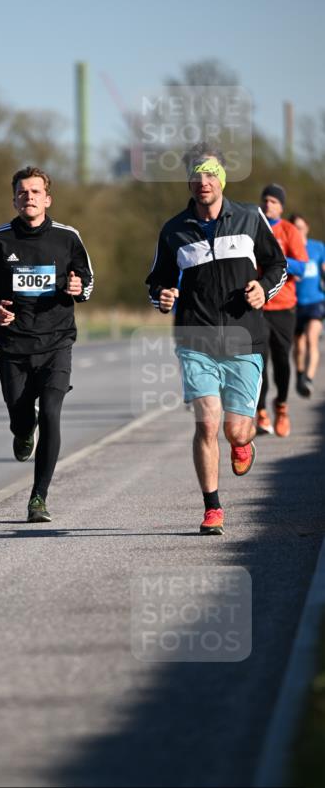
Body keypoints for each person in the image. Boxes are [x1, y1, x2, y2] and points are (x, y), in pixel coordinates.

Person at [146, 144, 287, 535]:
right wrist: (163, 295)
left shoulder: (248, 217)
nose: (203, 181)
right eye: (196, 173)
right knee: (207, 423)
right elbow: (157, 280)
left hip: (246, 338)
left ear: (222, 178)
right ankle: (212, 507)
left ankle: (244, 442)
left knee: (235, 430)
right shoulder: (174, 230)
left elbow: (278, 264)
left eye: (210, 173)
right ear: (189, 181)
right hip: (197, 337)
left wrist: (263, 288)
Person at [0, 166, 94, 522]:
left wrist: (77, 289)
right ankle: (23, 429)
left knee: (52, 413)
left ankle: (38, 498)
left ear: (47, 198)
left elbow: (86, 280)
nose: (29, 197)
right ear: (14, 199)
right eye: (23, 192)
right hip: (13, 347)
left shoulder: (68, 237)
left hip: (56, 342)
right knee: (21, 414)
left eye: (36, 192)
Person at [255, 184, 308, 436]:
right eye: (266, 200)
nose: (269, 204)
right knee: (258, 361)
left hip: (284, 306)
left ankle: (282, 406)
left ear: (281, 206)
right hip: (258, 306)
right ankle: (261, 411)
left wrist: (276, 262)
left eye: (274, 201)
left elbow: (302, 267)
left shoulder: (288, 230)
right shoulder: (252, 227)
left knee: (281, 362)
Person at [290, 213, 325, 397]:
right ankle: (300, 374)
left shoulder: (317, 247)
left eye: (301, 227)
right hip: (295, 304)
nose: (299, 231)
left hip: (316, 302)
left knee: (312, 339)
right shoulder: (288, 250)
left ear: (307, 228)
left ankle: (308, 379)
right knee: (299, 346)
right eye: (295, 228)